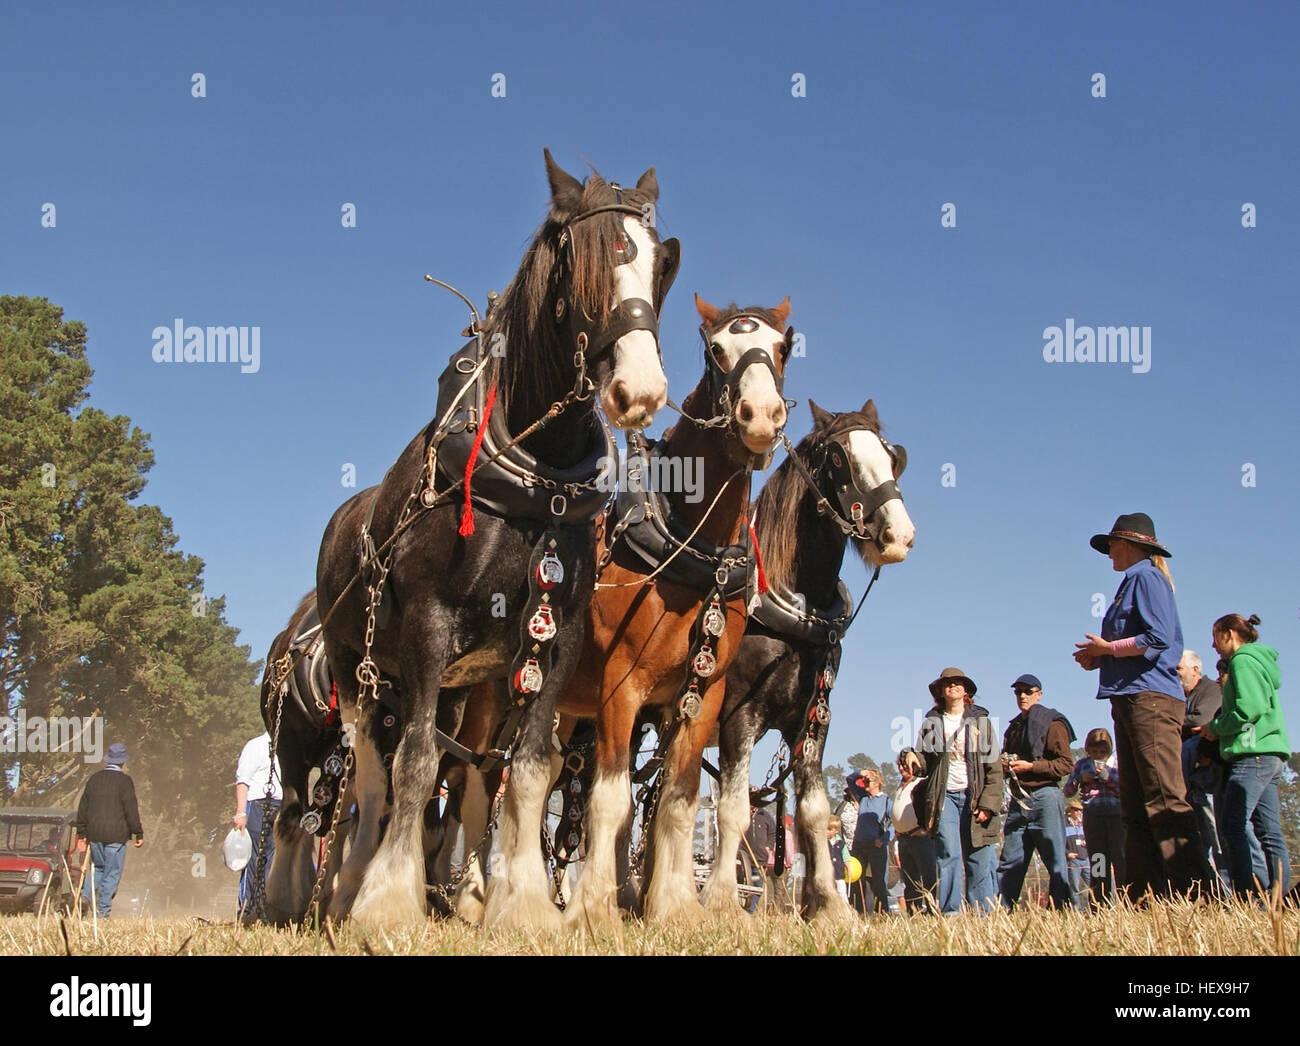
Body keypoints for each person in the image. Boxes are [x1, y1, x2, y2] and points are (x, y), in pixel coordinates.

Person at [1073, 513, 1209, 901]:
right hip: (1133, 697)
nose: (1109, 551)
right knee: (1135, 803)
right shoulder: (1136, 579)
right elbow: (1143, 642)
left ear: (1130, 544)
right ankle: (1146, 897)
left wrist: (1108, 649)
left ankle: (1196, 893)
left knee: (1163, 796)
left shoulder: (1145, 577)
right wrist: (1103, 657)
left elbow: (1158, 638)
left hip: (1150, 699)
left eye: (1113, 544)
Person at [1197, 614, 1292, 901]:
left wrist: (1215, 728)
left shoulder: (1242, 661)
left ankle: (1247, 897)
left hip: (1252, 755)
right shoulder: (1260, 661)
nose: (1213, 645)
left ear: (1228, 634)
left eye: (1215, 637)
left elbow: (1249, 708)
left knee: (1232, 825)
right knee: (1269, 831)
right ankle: (1280, 900)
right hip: (1271, 752)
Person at [915, 667, 1003, 914]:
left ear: (966, 691)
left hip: (974, 797)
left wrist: (988, 804)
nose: (953, 686)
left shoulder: (981, 723)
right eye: (947, 683)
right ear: (941, 691)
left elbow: (994, 769)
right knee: (948, 855)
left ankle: (982, 913)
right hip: (945, 797)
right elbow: (923, 761)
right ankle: (950, 912)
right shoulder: (931, 723)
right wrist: (910, 756)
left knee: (978, 856)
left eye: (958, 683)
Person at [997, 674, 1076, 910]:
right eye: (1018, 692)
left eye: (1028, 691)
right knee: (1010, 862)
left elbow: (1066, 764)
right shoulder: (1013, 728)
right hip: (1018, 799)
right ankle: (1001, 913)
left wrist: (1032, 766)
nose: (1022, 696)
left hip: (1046, 796)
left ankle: (1063, 913)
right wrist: (1004, 765)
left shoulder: (1053, 723)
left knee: (1056, 861)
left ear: (1039, 694)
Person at [73, 742, 143, 918]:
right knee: (112, 873)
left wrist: (81, 833)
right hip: (116, 836)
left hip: (95, 835)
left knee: (98, 869)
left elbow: (83, 807)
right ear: (122, 762)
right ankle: (102, 913)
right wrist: (138, 832)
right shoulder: (125, 781)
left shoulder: (94, 779)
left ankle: (84, 897)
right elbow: (131, 809)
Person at [1064, 728, 1125, 903]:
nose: (1098, 755)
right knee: (1099, 859)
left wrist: (1109, 778)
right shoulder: (1082, 764)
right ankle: (1100, 901)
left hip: (1116, 815)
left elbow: (1126, 788)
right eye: (1094, 751)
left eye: (1102, 752)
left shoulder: (1116, 763)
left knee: (1120, 856)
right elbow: (1068, 791)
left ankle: (1126, 898)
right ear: (1088, 749)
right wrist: (1080, 780)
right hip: (1093, 816)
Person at [234, 731, 283, 921]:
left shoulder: (287, 747)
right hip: (257, 805)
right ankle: (246, 909)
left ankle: (263, 908)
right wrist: (240, 812)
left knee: (271, 860)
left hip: (279, 806)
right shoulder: (255, 746)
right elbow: (242, 781)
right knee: (253, 859)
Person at [895, 747, 938, 913]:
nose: (901, 768)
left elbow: (931, 807)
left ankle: (932, 909)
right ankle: (914, 911)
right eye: (899, 765)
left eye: (904, 765)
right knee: (910, 879)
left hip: (921, 837)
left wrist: (925, 829)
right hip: (904, 839)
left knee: (928, 876)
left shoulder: (921, 783)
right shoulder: (900, 786)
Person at [850, 768, 894, 914]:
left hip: (876, 846)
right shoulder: (862, 798)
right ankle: (860, 912)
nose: (866, 783)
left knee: (879, 881)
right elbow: (850, 780)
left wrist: (884, 839)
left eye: (869, 781)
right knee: (857, 880)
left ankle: (883, 913)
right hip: (859, 845)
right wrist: (861, 773)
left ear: (878, 783)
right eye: (865, 781)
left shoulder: (886, 801)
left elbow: (895, 822)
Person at [1064, 799, 1091, 911]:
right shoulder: (1064, 824)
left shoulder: (1084, 823)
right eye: (1076, 810)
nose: (1078, 812)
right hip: (1073, 860)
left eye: (1080, 810)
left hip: (1086, 859)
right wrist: (1067, 853)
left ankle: (1094, 908)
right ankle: (1077, 912)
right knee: (1074, 887)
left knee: (1093, 884)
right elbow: (1060, 842)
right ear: (1070, 810)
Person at [827, 815, 849, 903]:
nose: (826, 831)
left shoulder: (841, 843)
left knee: (842, 893)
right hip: (828, 875)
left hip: (839, 874)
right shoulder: (824, 843)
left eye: (829, 829)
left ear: (836, 831)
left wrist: (849, 869)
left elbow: (846, 857)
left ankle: (846, 910)